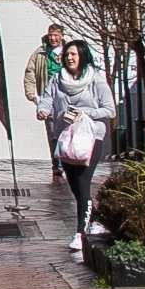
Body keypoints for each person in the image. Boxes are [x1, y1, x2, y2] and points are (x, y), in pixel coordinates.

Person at [38, 38, 113, 256]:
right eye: (67, 55)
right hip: (66, 137)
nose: (69, 58)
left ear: (82, 56)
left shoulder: (95, 80)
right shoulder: (57, 79)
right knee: (75, 185)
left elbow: (109, 110)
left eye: (73, 54)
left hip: (91, 137)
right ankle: (96, 219)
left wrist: (85, 113)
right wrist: (43, 110)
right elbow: (47, 99)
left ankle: (80, 233)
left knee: (83, 181)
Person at [22, 22, 68, 182]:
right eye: (51, 35)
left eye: (56, 35)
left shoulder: (69, 51)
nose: (53, 38)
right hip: (48, 97)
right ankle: (57, 165)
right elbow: (30, 72)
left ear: (62, 36)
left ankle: (68, 161)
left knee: (67, 130)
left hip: (67, 96)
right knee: (53, 132)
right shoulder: (40, 52)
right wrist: (33, 95)